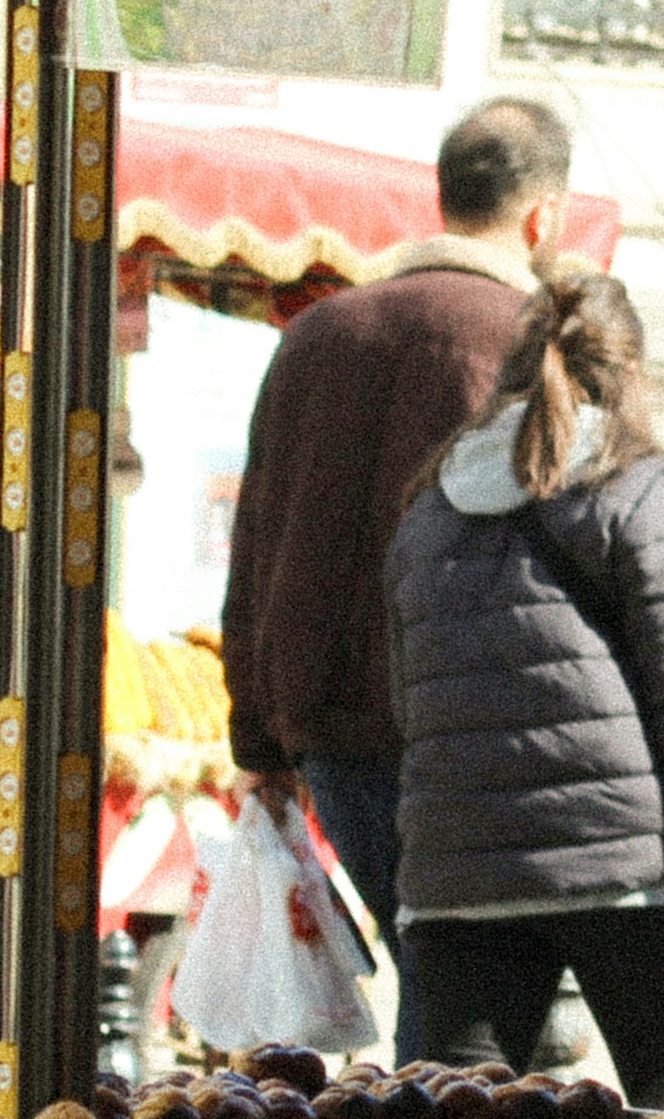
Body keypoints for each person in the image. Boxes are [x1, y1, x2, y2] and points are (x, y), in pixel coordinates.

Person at [385, 266, 664, 1098]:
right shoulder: (643, 489)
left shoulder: (431, 507)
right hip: (630, 880)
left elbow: (410, 705)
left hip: (459, 883)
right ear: (631, 374)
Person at [225, 94, 567, 1049]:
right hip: (479, 742)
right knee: (475, 1008)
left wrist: (259, 742)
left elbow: (257, 544)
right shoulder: (530, 341)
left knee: (443, 981)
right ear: (544, 217)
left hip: (334, 734)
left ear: (443, 194)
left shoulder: (318, 336)